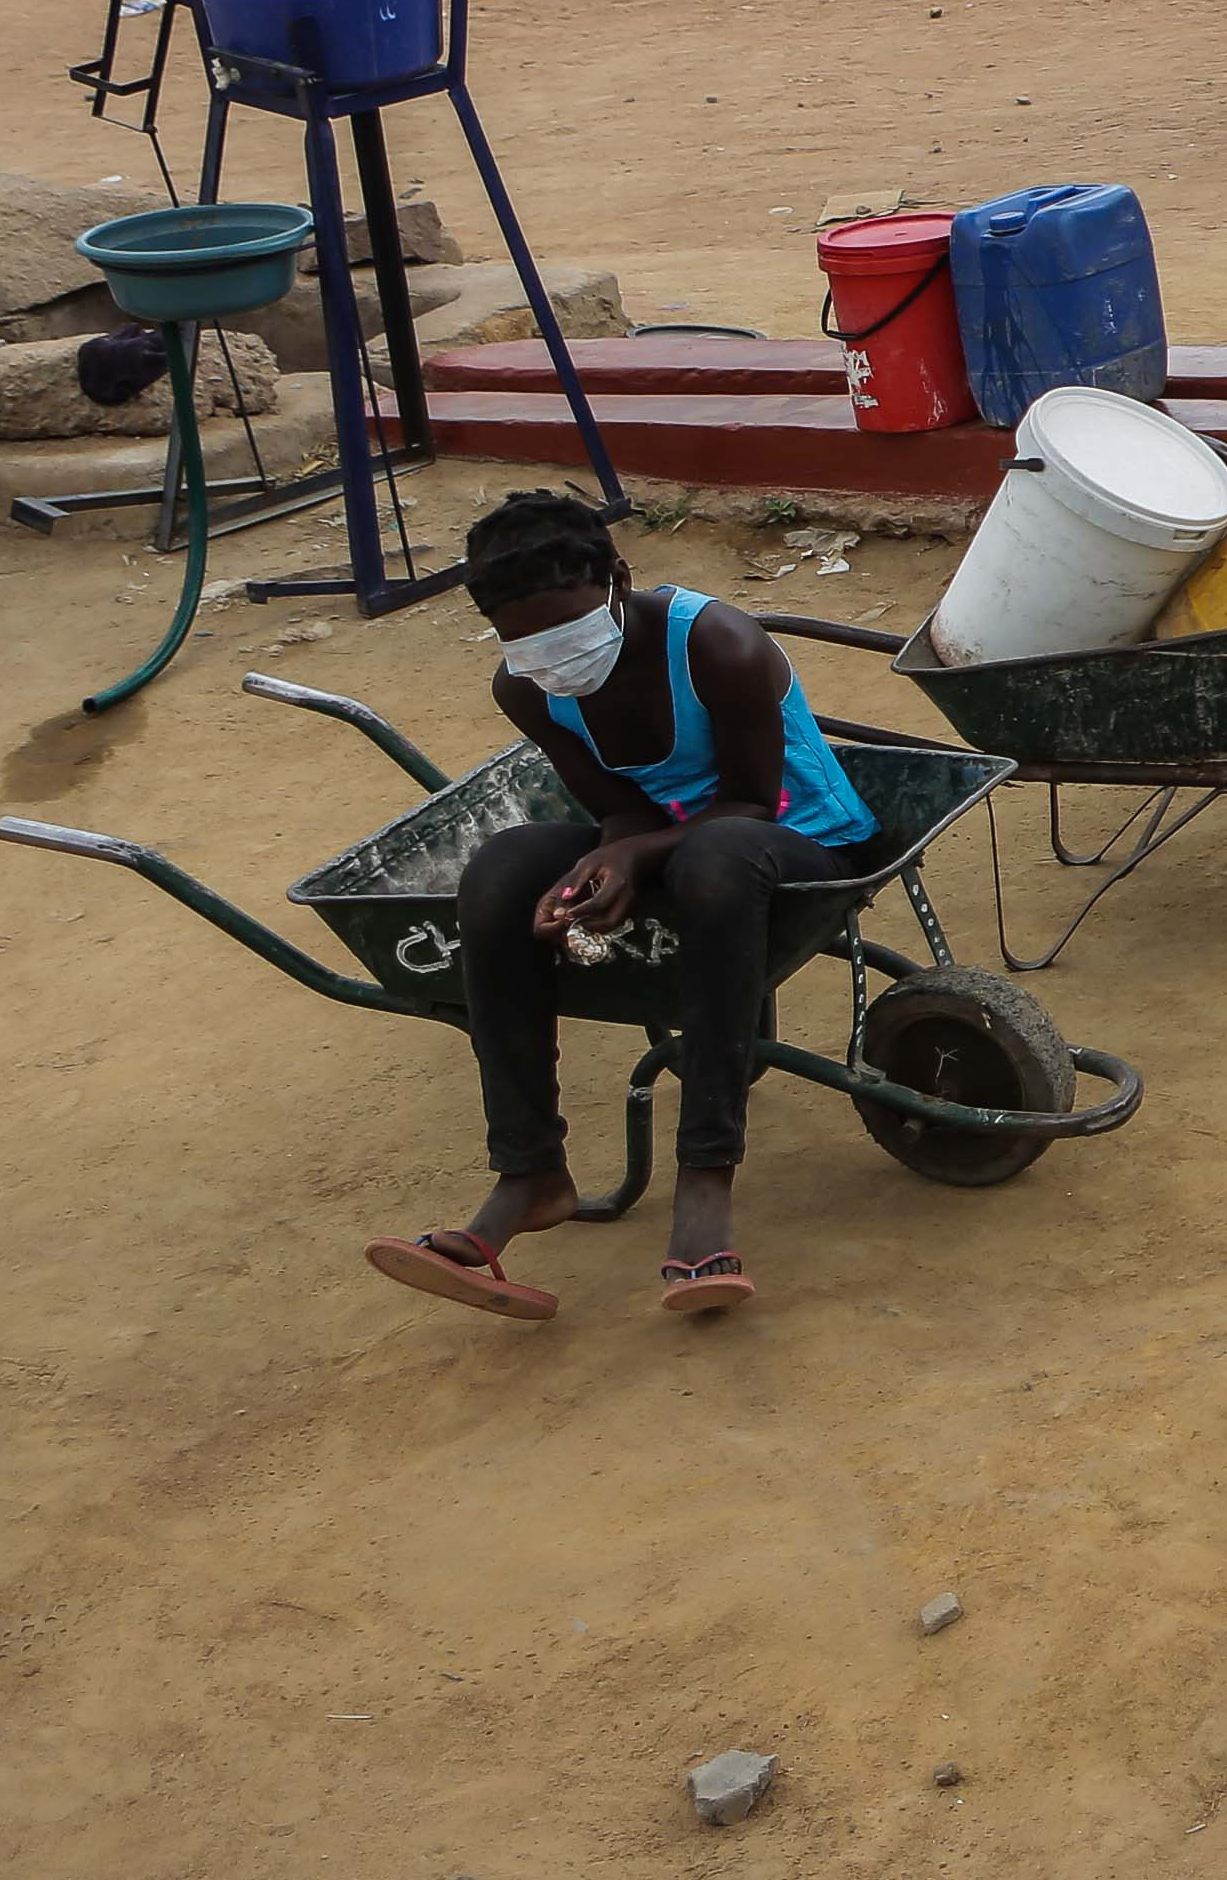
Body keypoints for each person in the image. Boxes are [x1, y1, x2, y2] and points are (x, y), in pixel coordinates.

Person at [369, 492, 884, 1326]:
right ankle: (530, 1175)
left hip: (794, 839)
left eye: (566, 633)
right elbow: (624, 812)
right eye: (526, 642)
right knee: (502, 869)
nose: (553, 658)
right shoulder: (530, 687)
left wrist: (631, 856)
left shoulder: (717, 645)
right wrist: (598, 866)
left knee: (718, 857)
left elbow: (752, 802)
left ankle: (705, 1184)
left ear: (619, 580)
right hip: (677, 847)